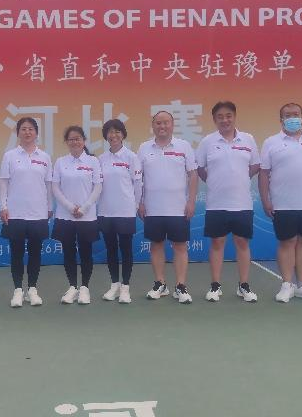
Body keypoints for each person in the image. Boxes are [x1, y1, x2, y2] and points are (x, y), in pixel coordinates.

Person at [259, 103, 302, 303]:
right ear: (281, 120)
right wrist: (266, 200)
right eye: (287, 115)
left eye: (296, 114)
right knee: (287, 242)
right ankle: (287, 284)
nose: (292, 118)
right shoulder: (271, 142)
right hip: (283, 203)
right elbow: (263, 174)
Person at [195, 101, 260, 303]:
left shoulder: (248, 139)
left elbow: (255, 165)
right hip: (216, 203)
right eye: (220, 117)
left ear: (234, 116)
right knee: (217, 243)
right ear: (215, 120)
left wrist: (240, 179)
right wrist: (215, 182)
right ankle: (215, 286)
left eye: (228, 116)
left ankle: (244, 285)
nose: (225, 120)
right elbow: (200, 168)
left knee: (242, 243)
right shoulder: (207, 141)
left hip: (242, 203)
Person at [138, 111, 199, 304]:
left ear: (172, 125)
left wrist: (191, 201)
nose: (162, 126)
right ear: (153, 126)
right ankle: (160, 284)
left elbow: (193, 175)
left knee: (180, 247)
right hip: (152, 208)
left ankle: (180, 286)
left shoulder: (184, 146)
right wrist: (140, 202)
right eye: (158, 123)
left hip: (178, 208)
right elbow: (138, 178)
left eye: (166, 122)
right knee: (156, 245)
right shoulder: (144, 148)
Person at [0, 117, 52, 307]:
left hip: (38, 212)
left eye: (31, 129)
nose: (27, 132)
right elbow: (3, 183)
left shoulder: (44, 157)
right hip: (15, 213)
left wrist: (49, 208)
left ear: (36, 133)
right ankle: (18, 291)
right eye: (23, 129)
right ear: (18, 133)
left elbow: (48, 185)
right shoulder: (10, 156)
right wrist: (3, 207)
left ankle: (32, 290)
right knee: (17, 253)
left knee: (35, 252)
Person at [52, 126, 103, 304]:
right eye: (71, 139)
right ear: (66, 142)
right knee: (68, 252)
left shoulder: (93, 161)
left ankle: (84, 288)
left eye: (78, 138)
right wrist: (69, 207)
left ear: (84, 140)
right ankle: (72, 287)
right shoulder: (60, 162)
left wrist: (85, 207)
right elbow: (55, 188)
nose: (75, 142)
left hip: (86, 216)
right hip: (65, 216)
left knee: (86, 252)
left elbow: (98, 187)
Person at [98, 119, 142, 304]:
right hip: (106, 211)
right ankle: (114, 285)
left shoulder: (131, 157)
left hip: (125, 210)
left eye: (117, 131)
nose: (113, 135)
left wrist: (135, 206)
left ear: (123, 134)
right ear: (105, 136)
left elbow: (137, 184)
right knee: (111, 249)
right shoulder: (101, 159)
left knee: (126, 249)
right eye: (110, 132)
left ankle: (125, 287)